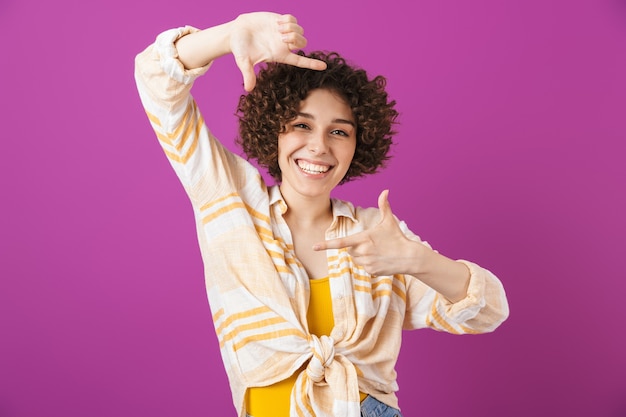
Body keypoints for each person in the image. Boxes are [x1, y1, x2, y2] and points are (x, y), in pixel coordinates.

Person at [134, 11, 509, 417]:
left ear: (357, 145)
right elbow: (154, 79)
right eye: (301, 125)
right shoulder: (230, 200)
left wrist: (419, 261)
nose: (318, 146)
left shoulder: (379, 235)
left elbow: (488, 312)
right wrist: (228, 36)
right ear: (273, 129)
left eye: (339, 131)